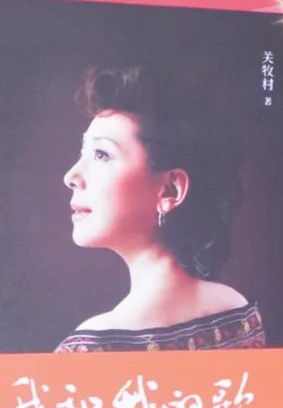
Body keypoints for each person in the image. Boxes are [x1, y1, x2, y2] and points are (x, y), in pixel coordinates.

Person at [56, 65, 265, 352]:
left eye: (101, 154)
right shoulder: (238, 312)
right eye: (83, 153)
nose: (71, 177)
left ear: (169, 190)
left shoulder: (92, 348)